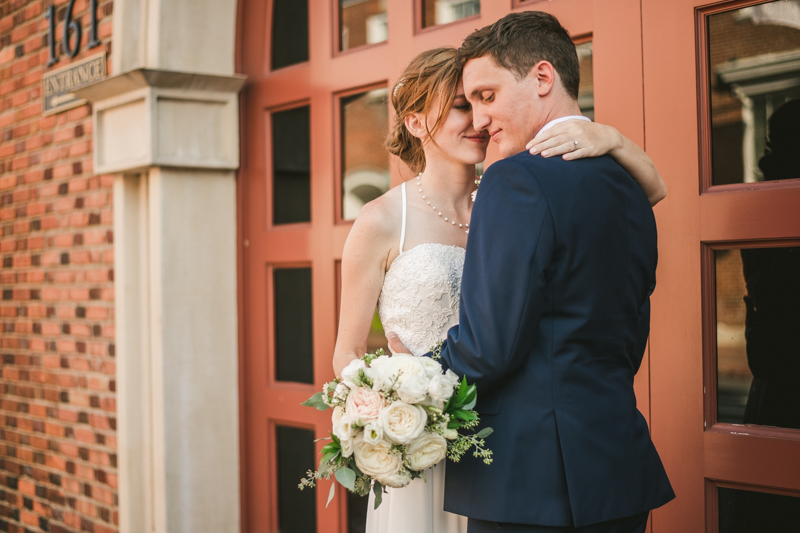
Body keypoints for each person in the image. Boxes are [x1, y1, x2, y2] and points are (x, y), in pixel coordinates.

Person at [333, 41, 667, 533]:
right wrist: (397, 403)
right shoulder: (382, 219)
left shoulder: (511, 189)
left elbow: (650, 192)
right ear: (416, 123)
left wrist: (612, 139)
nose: (479, 119)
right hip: (425, 434)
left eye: (483, 101)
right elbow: (348, 352)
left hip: (507, 446)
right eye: (461, 107)